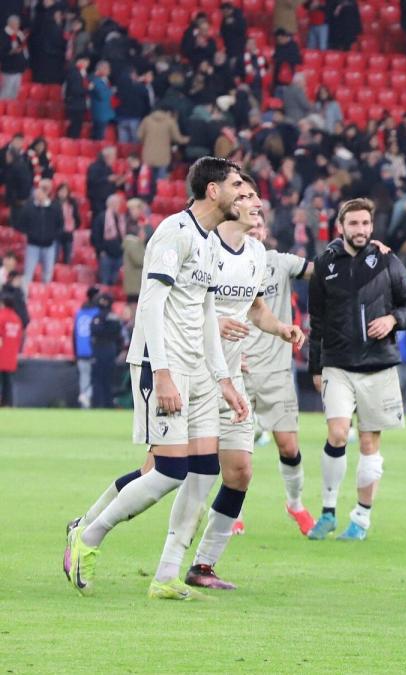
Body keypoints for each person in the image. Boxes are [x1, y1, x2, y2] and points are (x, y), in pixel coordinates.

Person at [64, 156, 250, 601]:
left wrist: (221, 376)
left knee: (204, 471)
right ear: (212, 191)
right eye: (236, 186)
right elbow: (150, 304)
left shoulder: (207, 242)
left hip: (200, 372)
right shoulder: (174, 232)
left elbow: (206, 313)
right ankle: (88, 535)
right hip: (161, 365)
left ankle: (167, 575)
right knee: (169, 470)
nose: (242, 194)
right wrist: (162, 373)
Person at [181, 179, 305, 589]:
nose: (257, 203)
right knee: (162, 473)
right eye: (248, 195)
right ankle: (93, 526)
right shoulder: (201, 247)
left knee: (240, 472)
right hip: (194, 374)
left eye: (256, 197)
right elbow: (176, 308)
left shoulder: (256, 255)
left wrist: (280, 328)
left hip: (230, 379)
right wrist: (213, 323)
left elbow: (256, 310)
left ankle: (202, 566)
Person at [307, 198, 406, 541]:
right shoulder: (325, 263)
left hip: (379, 365)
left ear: (372, 227)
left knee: (370, 445)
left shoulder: (387, 260)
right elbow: (317, 320)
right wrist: (316, 367)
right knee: (339, 433)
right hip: (337, 364)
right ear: (340, 226)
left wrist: (392, 319)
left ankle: (361, 519)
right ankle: (328, 511)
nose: (360, 230)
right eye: (353, 223)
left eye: (365, 224)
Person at [241, 216, 317, 535]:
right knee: (236, 452)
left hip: (275, 370)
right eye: (249, 227)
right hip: (236, 369)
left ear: (266, 232)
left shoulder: (281, 263)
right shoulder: (224, 265)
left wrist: (361, 250)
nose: (255, 232)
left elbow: (319, 269)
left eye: (259, 227)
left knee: (288, 445)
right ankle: (234, 513)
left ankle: (295, 503)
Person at [15, 178, 63, 287]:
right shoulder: (29, 206)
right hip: (33, 245)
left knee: (47, 274)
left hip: (49, 245)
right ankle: (24, 297)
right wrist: (31, 233)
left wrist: (53, 236)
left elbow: (60, 224)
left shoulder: (55, 207)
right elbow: (20, 223)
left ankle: (44, 296)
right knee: (28, 273)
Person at [89, 293, 123, 409]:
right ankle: (107, 403)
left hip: (101, 349)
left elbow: (95, 330)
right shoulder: (114, 317)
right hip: (110, 349)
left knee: (98, 378)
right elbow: (119, 336)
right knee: (108, 378)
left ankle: (99, 404)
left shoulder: (98, 317)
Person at [73, 288, 102, 408]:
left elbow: (74, 334)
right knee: (95, 378)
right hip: (92, 350)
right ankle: (86, 397)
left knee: (83, 378)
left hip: (80, 350)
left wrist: (75, 352)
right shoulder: (97, 313)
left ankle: (85, 405)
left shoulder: (79, 313)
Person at [91, 193, 127, 286]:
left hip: (119, 254)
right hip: (106, 255)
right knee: (105, 281)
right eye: (116, 204)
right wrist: (101, 250)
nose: (117, 206)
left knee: (114, 281)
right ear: (110, 204)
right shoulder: (101, 217)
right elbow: (95, 236)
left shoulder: (121, 218)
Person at [1, 14, 28, 100]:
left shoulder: (20, 34)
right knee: (6, 92)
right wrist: (11, 51)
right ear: (10, 24)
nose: (17, 26)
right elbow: (2, 51)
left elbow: (23, 47)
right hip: (8, 69)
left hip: (18, 68)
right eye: (16, 24)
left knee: (15, 92)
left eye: (18, 24)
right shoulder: (3, 35)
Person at [88, 60, 115, 141]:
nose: (109, 70)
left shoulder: (105, 80)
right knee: (98, 136)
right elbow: (102, 95)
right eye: (106, 68)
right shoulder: (96, 80)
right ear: (100, 69)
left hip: (105, 113)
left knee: (100, 135)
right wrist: (111, 91)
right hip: (99, 113)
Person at [0, 295, 19, 405]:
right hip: (11, 356)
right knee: (9, 382)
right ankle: (9, 404)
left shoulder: (1, 317)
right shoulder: (17, 319)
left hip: (1, 355)